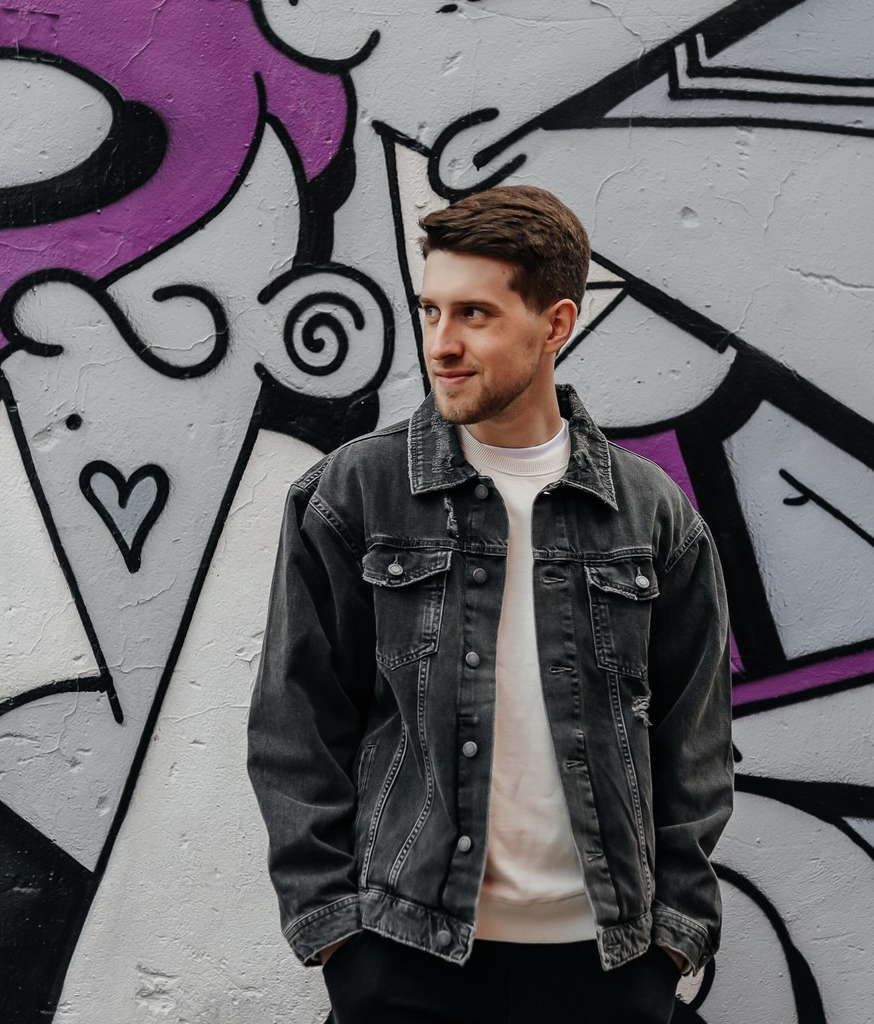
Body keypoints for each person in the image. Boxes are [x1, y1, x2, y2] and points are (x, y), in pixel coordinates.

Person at [247, 185, 733, 1023]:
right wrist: (337, 940)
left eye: (474, 314)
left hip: (607, 971)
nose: (441, 343)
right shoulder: (355, 494)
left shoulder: (652, 514)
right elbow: (295, 727)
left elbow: (695, 746)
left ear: (555, 324)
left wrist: (673, 943)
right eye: (431, 311)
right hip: (405, 965)